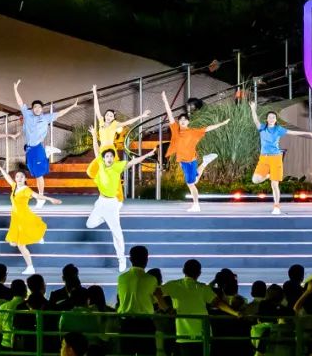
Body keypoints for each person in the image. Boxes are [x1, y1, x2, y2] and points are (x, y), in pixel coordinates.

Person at [154, 259, 243, 356]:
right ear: (199, 273)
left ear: (183, 271)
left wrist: (166, 309)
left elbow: (156, 292)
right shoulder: (202, 288)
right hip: (203, 335)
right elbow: (218, 303)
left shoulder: (174, 285)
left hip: (184, 336)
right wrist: (236, 313)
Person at [87, 134, 153, 271]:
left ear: (114, 158)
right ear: (103, 158)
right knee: (90, 224)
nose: (109, 158)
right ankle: (105, 218)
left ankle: (121, 259)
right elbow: (96, 150)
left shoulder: (117, 166)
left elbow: (133, 162)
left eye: (111, 156)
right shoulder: (100, 164)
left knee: (116, 233)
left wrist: (147, 155)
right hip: (100, 202)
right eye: (107, 156)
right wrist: (94, 135)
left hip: (112, 204)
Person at [161, 90, 230, 212]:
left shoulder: (193, 132)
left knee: (191, 184)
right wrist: (165, 100)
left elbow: (208, 128)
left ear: (188, 122)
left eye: (185, 119)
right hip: (184, 161)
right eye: (181, 119)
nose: (182, 121)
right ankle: (205, 162)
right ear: (179, 122)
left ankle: (196, 205)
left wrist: (222, 124)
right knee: (195, 180)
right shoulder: (175, 129)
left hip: (190, 161)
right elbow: (170, 114)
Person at [13, 80, 79, 206]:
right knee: (33, 171)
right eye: (35, 107)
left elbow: (60, 113)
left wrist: (72, 106)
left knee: (39, 175)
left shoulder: (46, 117)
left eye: (39, 107)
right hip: (29, 149)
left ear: (42, 109)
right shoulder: (27, 114)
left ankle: (41, 197)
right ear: (32, 109)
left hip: (37, 147)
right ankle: (47, 153)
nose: (37, 109)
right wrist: (15, 89)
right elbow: (20, 102)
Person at [248, 99, 312, 214]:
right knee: (255, 180)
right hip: (263, 158)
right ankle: (269, 175)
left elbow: (293, 132)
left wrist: (309, 133)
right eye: (270, 117)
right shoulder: (262, 128)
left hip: (275, 158)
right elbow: (255, 120)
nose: (271, 118)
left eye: (273, 117)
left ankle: (276, 206)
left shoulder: (278, 129)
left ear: (276, 120)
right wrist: (253, 109)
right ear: (267, 119)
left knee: (274, 184)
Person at [0, 162, 62, 275]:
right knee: (13, 243)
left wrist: (50, 199)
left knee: (21, 245)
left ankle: (30, 267)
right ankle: (37, 238)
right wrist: (0, 168)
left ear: (25, 179)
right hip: (16, 218)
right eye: (17, 176)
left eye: (21, 177)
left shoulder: (26, 190)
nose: (19, 178)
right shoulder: (15, 187)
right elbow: (8, 177)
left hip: (24, 217)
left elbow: (37, 196)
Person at [116, 246, 159, 356]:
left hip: (126, 324)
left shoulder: (121, 278)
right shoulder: (151, 280)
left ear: (130, 259)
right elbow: (155, 300)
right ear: (146, 259)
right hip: (144, 324)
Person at [90, 84, 152, 151]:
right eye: (107, 115)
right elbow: (96, 108)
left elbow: (128, 122)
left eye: (111, 116)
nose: (108, 117)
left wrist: (142, 116)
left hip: (110, 150)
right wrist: (95, 93)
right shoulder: (101, 121)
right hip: (102, 149)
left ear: (113, 118)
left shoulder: (115, 124)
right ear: (105, 115)